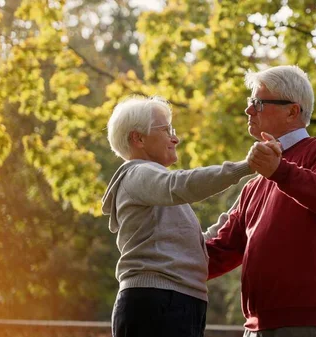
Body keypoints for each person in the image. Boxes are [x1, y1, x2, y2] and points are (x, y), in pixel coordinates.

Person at [204, 65, 316, 337]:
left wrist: (280, 172)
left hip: (305, 324)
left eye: (258, 103)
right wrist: (161, 257)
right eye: (250, 103)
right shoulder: (253, 186)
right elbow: (218, 252)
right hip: (255, 327)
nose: (249, 111)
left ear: (292, 111)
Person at [101, 95, 254, 337]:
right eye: (166, 130)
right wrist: (246, 166)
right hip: (156, 302)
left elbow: (196, 246)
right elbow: (181, 184)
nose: (176, 138)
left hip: (179, 302)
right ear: (138, 138)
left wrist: (246, 201)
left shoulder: (156, 189)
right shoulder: (138, 174)